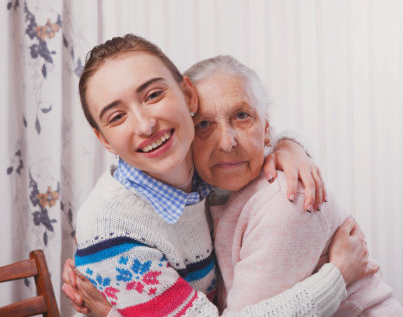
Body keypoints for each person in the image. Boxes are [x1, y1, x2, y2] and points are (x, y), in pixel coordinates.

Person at [62, 34, 373, 316]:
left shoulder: (200, 174)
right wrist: (338, 277)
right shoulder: (112, 232)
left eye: (153, 95)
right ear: (103, 139)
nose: (145, 126)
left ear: (187, 95)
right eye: (117, 117)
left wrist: (289, 146)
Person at [184, 55, 403, 315]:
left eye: (242, 116)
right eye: (204, 124)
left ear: (267, 129)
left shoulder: (285, 200)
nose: (226, 142)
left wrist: (337, 277)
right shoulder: (202, 195)